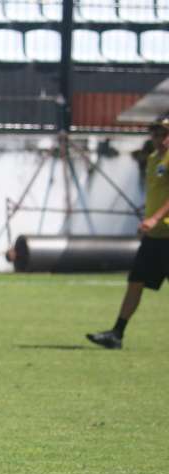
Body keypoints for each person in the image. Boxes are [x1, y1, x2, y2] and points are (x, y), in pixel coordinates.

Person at [87, 116, 169, 350]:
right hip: (154, 238)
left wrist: (154, 217)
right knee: (135, 282)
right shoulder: (153, 159)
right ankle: (117, 334)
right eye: (156, 134)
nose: (160, 139)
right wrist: (148, 213)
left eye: (164, 134)